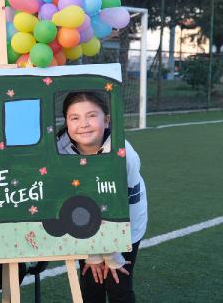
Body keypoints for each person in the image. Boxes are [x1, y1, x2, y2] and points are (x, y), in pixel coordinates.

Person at [56, 91, 147, 303]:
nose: (84, 124)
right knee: (91, 285)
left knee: (119, 286)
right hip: (80, 223)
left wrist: (112, 255)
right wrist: (92, 253)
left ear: (106, 120)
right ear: (66, 122)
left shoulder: (125, 155)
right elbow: (65, 201)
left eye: (91, 115)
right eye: (75, 118)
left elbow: (124, 209)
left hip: (126, 223)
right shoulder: (58, 149)